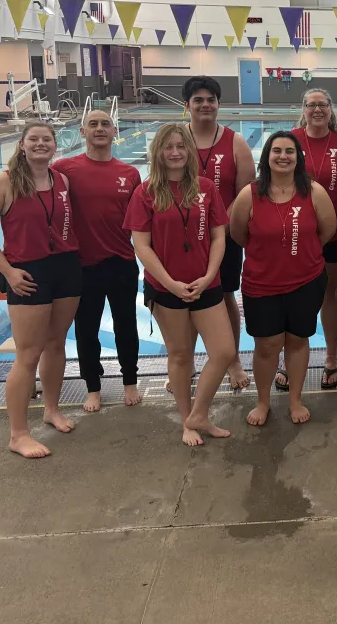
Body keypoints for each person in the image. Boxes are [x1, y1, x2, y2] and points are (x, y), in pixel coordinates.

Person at [0, 110, 142, 412]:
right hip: (82, 264)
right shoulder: (66, 170)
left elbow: (141, 217)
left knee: (126, 326)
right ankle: (93, 387)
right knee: (85, 330)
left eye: (105, 124)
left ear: (115, 130)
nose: (100, 129)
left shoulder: (128, 173)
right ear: (82, 132)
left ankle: (129, 381)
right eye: (93, 124)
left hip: (119, 262)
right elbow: (22, 176)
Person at [124, 123, 238, 447]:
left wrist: (208, 275)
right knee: (180, 355)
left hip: (206, 284)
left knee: (224, 351)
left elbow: (218, 237)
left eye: (181, 146)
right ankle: (187, 422)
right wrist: (170, 283)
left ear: (190, 151)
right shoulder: (146, 192)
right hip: (165, 288)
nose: (175, 152)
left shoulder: (205, 187)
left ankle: (198, 414)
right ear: (158, 152)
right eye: (168, 147)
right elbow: (141, 246)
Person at [0, 121, 80, 459]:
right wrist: (8, 273)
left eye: (46, 139)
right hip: (26, 272)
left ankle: (51, 409)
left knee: (55, 344)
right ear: (21, 145)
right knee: (28, 354)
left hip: (65, 267)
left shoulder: (59, 179)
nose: (40, 144)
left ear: (54, 145)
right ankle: (18, 434)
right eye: (33, 139)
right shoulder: (1, 183)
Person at [230, 132, 336, 426]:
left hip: (306, 280)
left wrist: (301, 253)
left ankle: (295, 400)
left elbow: (327, 230)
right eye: (276, 151)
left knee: (298, 341)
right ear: (266, 157)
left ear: (298, 158)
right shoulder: (250, 194)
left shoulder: (313, 191)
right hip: (261, 284)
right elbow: (238, 233)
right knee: (266, 345)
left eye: (290, 151)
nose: (283, 156)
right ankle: (263, 402)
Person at [183, 76, 255, 391]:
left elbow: (246, 198)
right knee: (183, 300)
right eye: (198, 100)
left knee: (225, 297)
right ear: (187, 106)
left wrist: (235, 236)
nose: (205, 105)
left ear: (218, 104)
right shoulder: (174, 140)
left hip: (223, 239)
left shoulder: (235, 142)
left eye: (210, 99)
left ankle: (233, 360)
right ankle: (184, 362)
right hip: (182, 241)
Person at [290, 88, 337, 390]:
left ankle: (331, 358)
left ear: (331, 109)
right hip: (293, 233)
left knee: (330, 293)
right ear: (302, 109)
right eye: (311, 105)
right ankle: (289, 361)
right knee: (293, 294)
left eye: (322, 105)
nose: (317, 110)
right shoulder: (288, 141)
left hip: (333, 234)